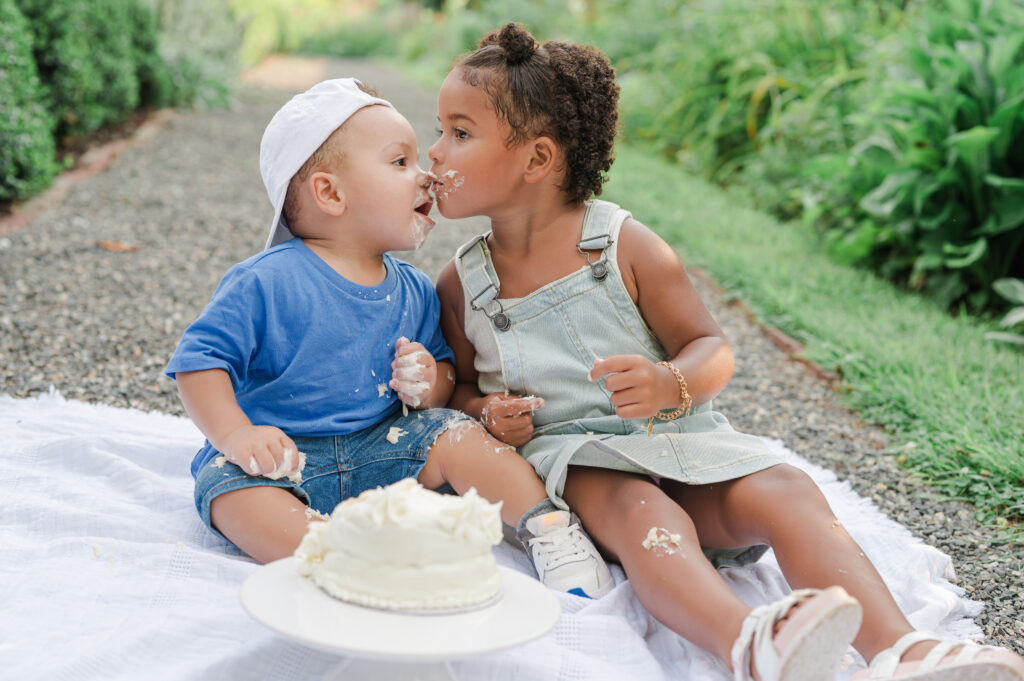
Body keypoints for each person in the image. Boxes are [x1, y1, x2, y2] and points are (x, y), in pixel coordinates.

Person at [429, 23, 1024, 681]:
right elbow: (453, 388)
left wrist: (667, 381)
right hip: (579, 468)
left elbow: (711, 347)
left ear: (537, 160)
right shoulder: (463, 283)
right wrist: (486, 410)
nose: (435, 151)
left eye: (458, 132)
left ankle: (901, 648)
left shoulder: (623, 246)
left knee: (785, 488)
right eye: (441, 130)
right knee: (644, 512)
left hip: (677, 445)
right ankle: (749, 644)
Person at [165, 78, 612, 599]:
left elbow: (445, 375)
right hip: (281, 462)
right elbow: (199, 363)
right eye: (400, 162)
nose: (425, 176)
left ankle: (547, 527)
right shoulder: (265, 281)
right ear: (331, 193)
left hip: (385, 450)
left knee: (457, 434)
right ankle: (333, 553)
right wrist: (237, 436)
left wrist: (428, 383)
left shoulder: (415, 289)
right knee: (229, 490)